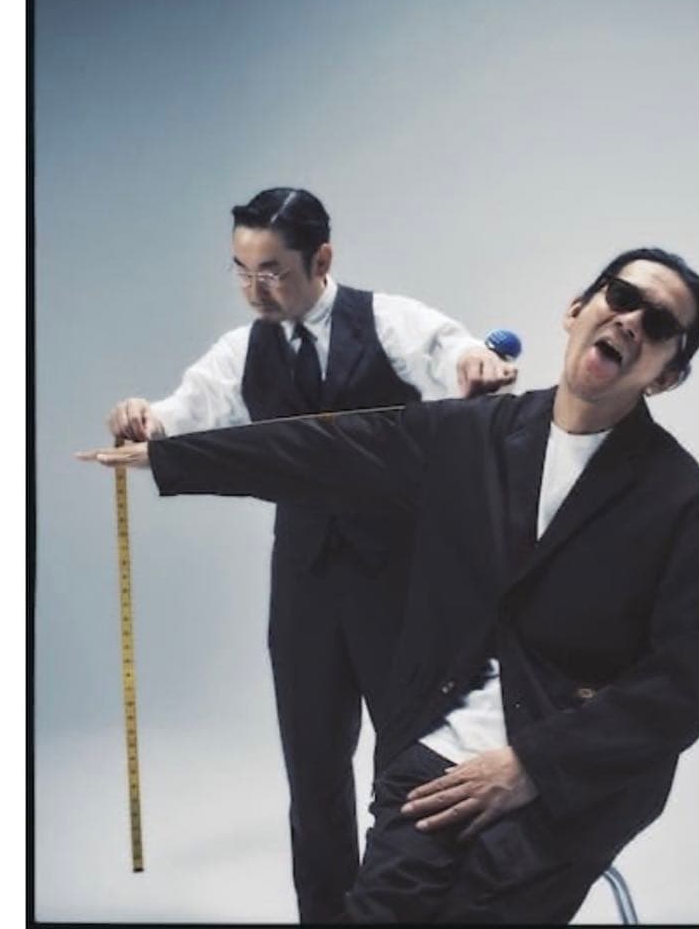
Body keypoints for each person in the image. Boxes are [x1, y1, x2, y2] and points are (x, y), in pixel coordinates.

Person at [82, 247, 699, 924]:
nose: (630, 320)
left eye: (658, 323)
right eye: (620, 296)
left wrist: (533, 764)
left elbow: (686, 684)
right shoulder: (471, 435)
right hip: (437, 748)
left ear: (667, 375)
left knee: (483, 907)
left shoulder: (686, 509)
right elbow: (326, 450)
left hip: (570, 781)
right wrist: (170, 456)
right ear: (577, 309)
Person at [103, 186, 517, 923]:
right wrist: (146, 418)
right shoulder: (242, 351)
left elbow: (449, 350)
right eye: (240, 271)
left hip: (401, 583)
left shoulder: (385, 319)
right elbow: (184, 412)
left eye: (272, 271)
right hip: (303, 588)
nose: (253, 289)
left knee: (411, 763)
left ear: (321, 259)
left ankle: (410, 908)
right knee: (313, 771)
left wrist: (475, 362)